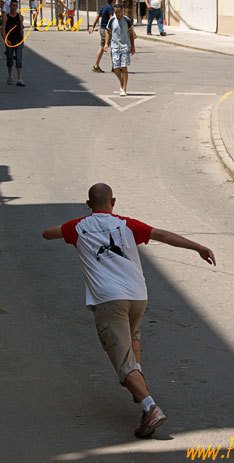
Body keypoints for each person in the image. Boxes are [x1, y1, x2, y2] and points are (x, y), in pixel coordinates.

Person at [42, 183, 216, 438]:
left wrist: (58, 232)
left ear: (89, 205)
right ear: (113, 202)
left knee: (122, 361)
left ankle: (149, 405)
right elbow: (163, 235)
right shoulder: (127, 225)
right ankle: (139, 386)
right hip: (137, 296)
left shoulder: (77, 227)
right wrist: (198, 247)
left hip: (108, 301)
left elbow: (47, 233)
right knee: (132, 338)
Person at [104, 3, 134, 96]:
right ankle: (121, 81)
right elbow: (108, 32)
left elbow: (131, 34)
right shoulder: (112, 20)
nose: (117, 14)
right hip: (114, 46)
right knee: (116, 68)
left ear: (122, 11)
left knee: (124, 67)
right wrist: (106, 44)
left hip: (125, 46)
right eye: (115, 12)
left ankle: (124, 89)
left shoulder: (127, 20)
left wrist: (133, 46)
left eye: (119, 12)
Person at [1, 0, 25, 87]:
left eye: (15, 6)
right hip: (9, 41)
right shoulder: (6, 17)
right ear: (10, 6)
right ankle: (10, 76)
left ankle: (19, 79)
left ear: (17, 7)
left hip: (18, 40)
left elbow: (21, 30)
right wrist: (6, 40)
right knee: (10, 59)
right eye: (12, 5)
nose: (14, 7)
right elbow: (3, 30)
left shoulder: (20, 17)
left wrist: (22, 40)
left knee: (19, 59)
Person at [89, 0, 114, 73]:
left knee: (102, 47)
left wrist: (93, 26)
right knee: (111, 47)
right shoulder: (110, 8)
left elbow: (98, 17)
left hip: (102, 29)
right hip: (107, 30)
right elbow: (111, 19)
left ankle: (97, 65)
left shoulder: (103, 7)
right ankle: (114, 67)